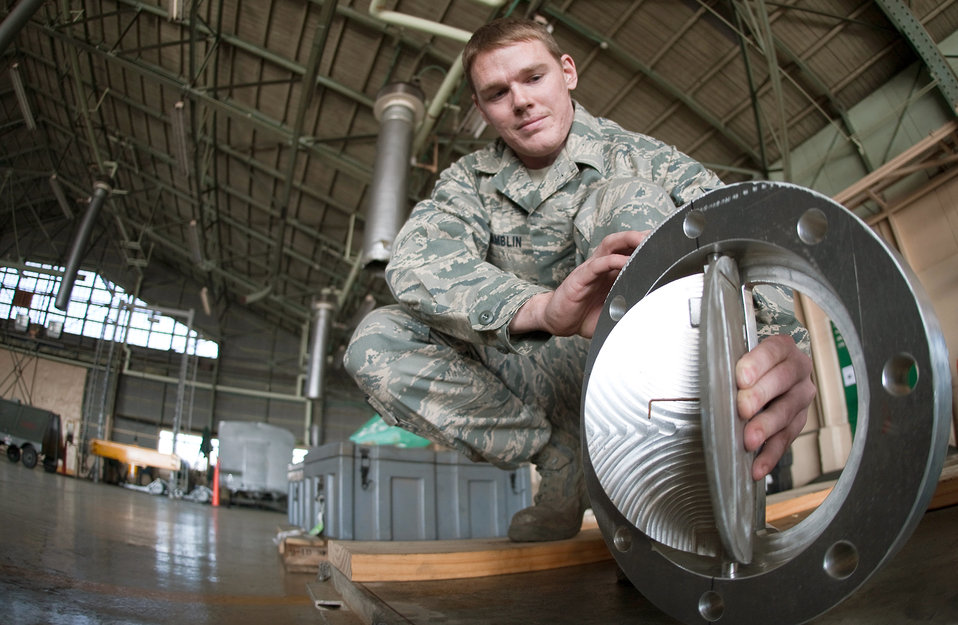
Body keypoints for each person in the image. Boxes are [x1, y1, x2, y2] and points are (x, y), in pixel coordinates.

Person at [345, 17, 815, 542]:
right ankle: (563, 460)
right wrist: (541, 310)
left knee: (627, 201)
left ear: (566, 72)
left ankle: (662, 476)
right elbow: (414, 262)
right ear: (480, 109)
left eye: (533, 77)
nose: (520, 101)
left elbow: (750, 251)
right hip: (531, 374)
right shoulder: (469, 184)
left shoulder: (645, 160)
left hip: (652, 378)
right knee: (377, 342)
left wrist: (786, 349)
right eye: (498, 92)